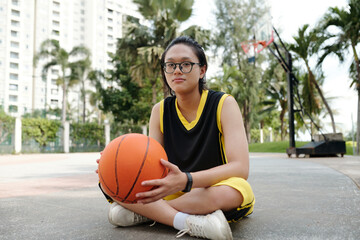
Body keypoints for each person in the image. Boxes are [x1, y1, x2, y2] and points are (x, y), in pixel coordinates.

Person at [96, 36, 255, 240]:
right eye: (170, 65)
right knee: (107, 181)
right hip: (175, 191)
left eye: (186, 64)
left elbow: (240, 168)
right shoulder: (160, 110)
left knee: (234, 190)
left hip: (214, 188)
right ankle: (187, 222)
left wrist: (187, 180)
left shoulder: (224, 104)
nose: (177, 70)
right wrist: (112, 163)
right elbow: (151, 163)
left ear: (202, 70)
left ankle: (143, 213)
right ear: (164, 71)